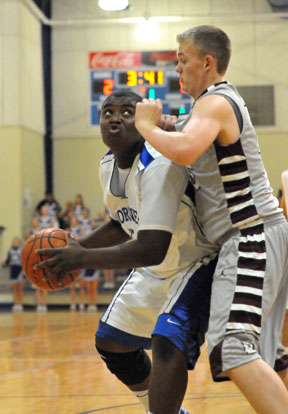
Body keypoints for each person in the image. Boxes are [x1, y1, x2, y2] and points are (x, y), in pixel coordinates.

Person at [134, 25, 288, 414]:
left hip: (251, 237)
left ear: (207, 62)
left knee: (233, 349)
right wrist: (168, 124)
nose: (177, 68)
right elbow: (188, 133)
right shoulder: (210, 105)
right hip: (262, 236)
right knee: (270, 353)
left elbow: (185, 150)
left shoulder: (215, 102)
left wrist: (145, 126)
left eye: (182, 60)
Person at [35, 90, 219, 414]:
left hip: (194, 262)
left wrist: (80, 258)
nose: (115, 118)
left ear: (144, 121)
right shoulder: (108, 165)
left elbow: (151, 248)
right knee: (112, 342)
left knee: (166, 343)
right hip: (159, 266)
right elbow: (123, 221)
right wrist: (76, 247)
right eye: (108, 112)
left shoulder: (159, 161)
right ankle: (164, 409)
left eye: (126, 112)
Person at [1, 236, 24, 312]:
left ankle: (20, 304)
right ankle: (16, 304)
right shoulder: (10, 251)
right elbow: (7, 263)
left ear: (19, 243)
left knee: (20, 289)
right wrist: (4, 261)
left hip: (20, 270)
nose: (15, 243)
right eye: (14, 242)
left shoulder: (22, 250)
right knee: (14, 289)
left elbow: (24, 261)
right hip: (13, 270)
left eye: (17, 242)